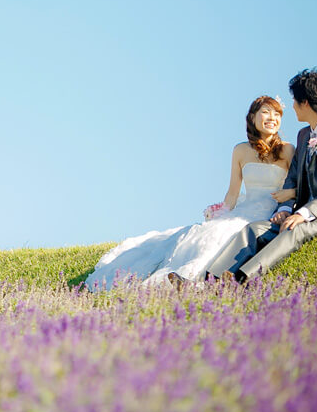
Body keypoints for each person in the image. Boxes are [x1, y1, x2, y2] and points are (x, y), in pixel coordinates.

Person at [85, 95, 293, 291]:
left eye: (277, 115)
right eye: (266, 112)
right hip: (244, 209)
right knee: (211, 233)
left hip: (270, 211)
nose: (272, 118)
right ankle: (186, 277)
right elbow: (233, 192)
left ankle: (200, 281)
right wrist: (220, 212)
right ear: (253, 117)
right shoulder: (240, 150)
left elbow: (296, 185)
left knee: (233, 235)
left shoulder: (287, 150)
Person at [204, 69, 317, 282]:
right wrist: (283, 209)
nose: (291, 107)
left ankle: (241, 280)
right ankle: (209, 280)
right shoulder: (304, 135)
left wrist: (304, 213)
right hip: (306, 211)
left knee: (294, 231)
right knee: (254, 229)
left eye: (294, 101)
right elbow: (292, 178)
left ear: (305, 102)